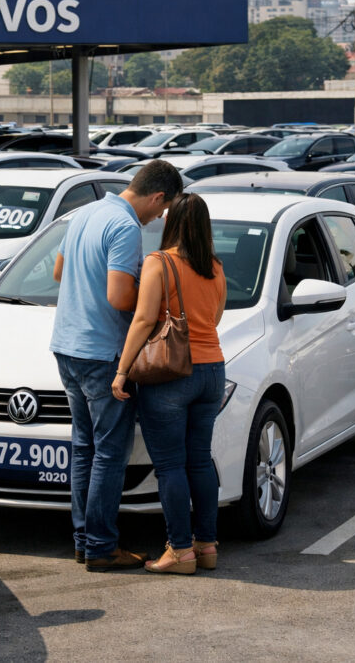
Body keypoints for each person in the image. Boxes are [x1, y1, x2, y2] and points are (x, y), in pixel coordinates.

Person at [51, 159, 183, 573]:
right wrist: (151, 297)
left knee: (83, 449)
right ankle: (102, 547)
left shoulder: (86, 213)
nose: (158, 218)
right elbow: (118, 297)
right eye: (162, 210)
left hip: (66, 346)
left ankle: (83, 541)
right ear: (157, 196)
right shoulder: (125, 226)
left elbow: (58, 272)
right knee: (109, 453)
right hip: (103, 351)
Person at [112, 193, 226, 575]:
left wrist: (122, 370)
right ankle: (206, 546)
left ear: (170, 222)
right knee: (199, 460)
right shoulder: (215, 266)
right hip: (213, 371)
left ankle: (179, 550)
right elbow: (215, 316)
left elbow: (144, 321)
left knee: (171, 466)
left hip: (171, 375)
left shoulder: (159, 262)